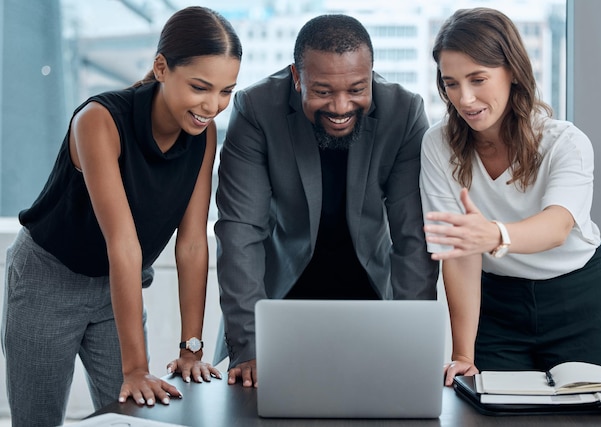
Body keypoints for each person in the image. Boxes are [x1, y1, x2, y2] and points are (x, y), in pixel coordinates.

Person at [0, 6, 241, 426]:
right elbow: (123, 244)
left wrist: (191, 349)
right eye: (201, 87)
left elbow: (191, 243)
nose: (212, 106)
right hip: (46, 284)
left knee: (138, 415)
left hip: (116, 292)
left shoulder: (204, 135)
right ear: (161, 68)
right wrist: (134, 367)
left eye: (226, 92)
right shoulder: (99, 120)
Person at [213, 14, 439, 388]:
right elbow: (240, 232)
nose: (340, 106)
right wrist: (249, 344)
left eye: (356, 89)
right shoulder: (256, 109)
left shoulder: (405, 112)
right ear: (297, 77)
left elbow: (412, 238)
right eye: (322, 91)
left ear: (371, 74)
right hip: (278, 305)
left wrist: (412, 342)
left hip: (370, 300)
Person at [420, 7, 601, 387]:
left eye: (478, 79)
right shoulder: (438, 145)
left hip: (577, 297)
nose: (465, 99)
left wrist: (493, 235)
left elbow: (558, 226)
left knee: (581, 414)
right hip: (497, 304)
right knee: (494, 410)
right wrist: (463, 355)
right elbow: (461, 254)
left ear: (512, 72)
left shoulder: (566, 142)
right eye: (451, 83)